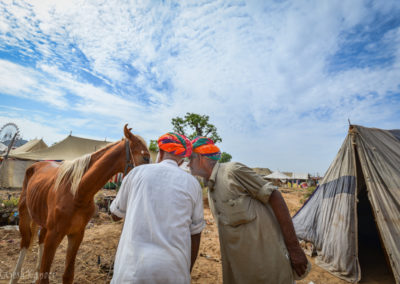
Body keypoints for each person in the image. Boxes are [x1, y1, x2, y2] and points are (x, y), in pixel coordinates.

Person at [188, 136, 309, 284]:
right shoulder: (211, 190)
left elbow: (275, 196)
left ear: (200, 157)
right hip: (241, 273)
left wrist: (294, 248)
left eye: (190, 159)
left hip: (268, 271)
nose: (188, 164)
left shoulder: (232, 172)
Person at [110, 132, 205, 284]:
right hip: (174, 273)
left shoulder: (136, 173)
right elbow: (195, 234)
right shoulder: (193, 184)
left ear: (160, 152)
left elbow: (115, 215)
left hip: (132, 271)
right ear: (182, 160)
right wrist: (186, 272)